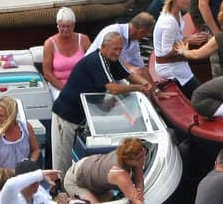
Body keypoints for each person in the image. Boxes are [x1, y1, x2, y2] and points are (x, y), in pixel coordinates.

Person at [50, 31, 149, 169]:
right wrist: (139, 88)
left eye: (120, 49)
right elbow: (113, 89)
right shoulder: (97, 61)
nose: (118, 52)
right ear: (103, 47)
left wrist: (147, 85)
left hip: (82, 116)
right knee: (62, 161)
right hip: (66, 116)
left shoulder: (112, 59)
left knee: (70, 157)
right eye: (115, 49)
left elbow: (128, 75)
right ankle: (58, 187)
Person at [64, 137, 148, 204]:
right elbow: (136, 201)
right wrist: (136, 197)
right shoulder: (119, 174)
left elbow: (139, 180)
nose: (143, 158)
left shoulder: (133, 155)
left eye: (143, 154)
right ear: (129, 160)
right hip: (75, 181)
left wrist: (138, 194)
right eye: (140, 158)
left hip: (92, 170)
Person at [0, 95, 41, 187]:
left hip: (26, 179)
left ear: (12, 115)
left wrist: (30, 164)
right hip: (4, 182)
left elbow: (35, 150)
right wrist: (9, 172)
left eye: (1, 115)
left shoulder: (26, 127)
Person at [41, 7, 91, 91]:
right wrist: (65, 89)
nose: (65, 29)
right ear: (57, 26)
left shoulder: (84, 40)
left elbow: (93, 64)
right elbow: (47, 73)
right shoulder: (49, 44)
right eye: (62, 26)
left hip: (82, 84)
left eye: (69, 26)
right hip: (59, 86)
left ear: (74, 26)